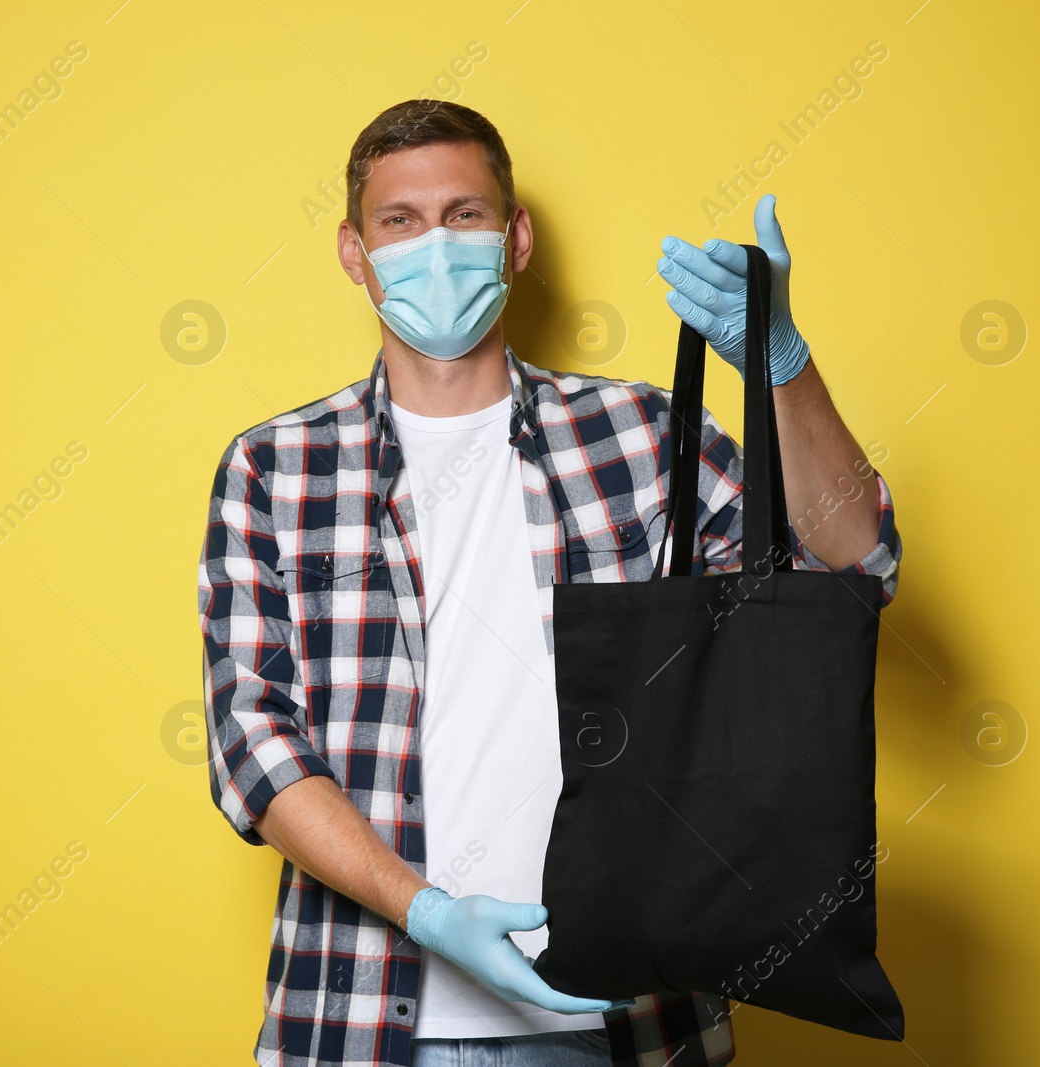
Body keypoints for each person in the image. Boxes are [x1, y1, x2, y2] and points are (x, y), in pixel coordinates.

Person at [197, 99, 903, 1067]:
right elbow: (252, 743)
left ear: (515, 237)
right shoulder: (274, 466)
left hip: (626, 1022)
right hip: (357, 1021)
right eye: (398, 222)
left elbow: (854, 562)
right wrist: (426, 910)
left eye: (464, 214)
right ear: (353, 254)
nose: (432, 246)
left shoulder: (644, 437)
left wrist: (784, 368)